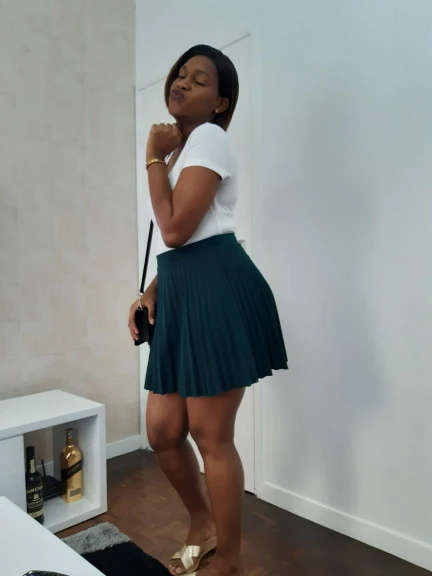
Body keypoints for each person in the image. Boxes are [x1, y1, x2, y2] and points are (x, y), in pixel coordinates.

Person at [128, 44, 288, 576]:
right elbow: (184, 237)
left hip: (216, 289)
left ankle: (231, 562)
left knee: (210, 435)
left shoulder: (210, 139)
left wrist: (152, 154)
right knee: (162, 430)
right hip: (181, 288)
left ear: (221, 103)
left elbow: (176, 229)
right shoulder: (182, 151)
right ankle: (202, 523)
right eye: (180, 74)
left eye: (199, 80)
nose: (182, 83)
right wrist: (153, 290)